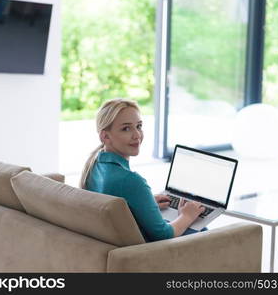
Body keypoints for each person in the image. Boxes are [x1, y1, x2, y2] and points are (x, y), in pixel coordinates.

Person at [80, 98, 206, 242]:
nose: (137, 135)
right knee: (200, 226)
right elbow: (164, 235)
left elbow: (117, 209)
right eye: (126, 128)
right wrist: (187, 216)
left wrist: (145, 204)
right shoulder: (130, 180)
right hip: (148, 251)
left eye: (139, 126)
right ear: (105, 136)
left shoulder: (95, 165)